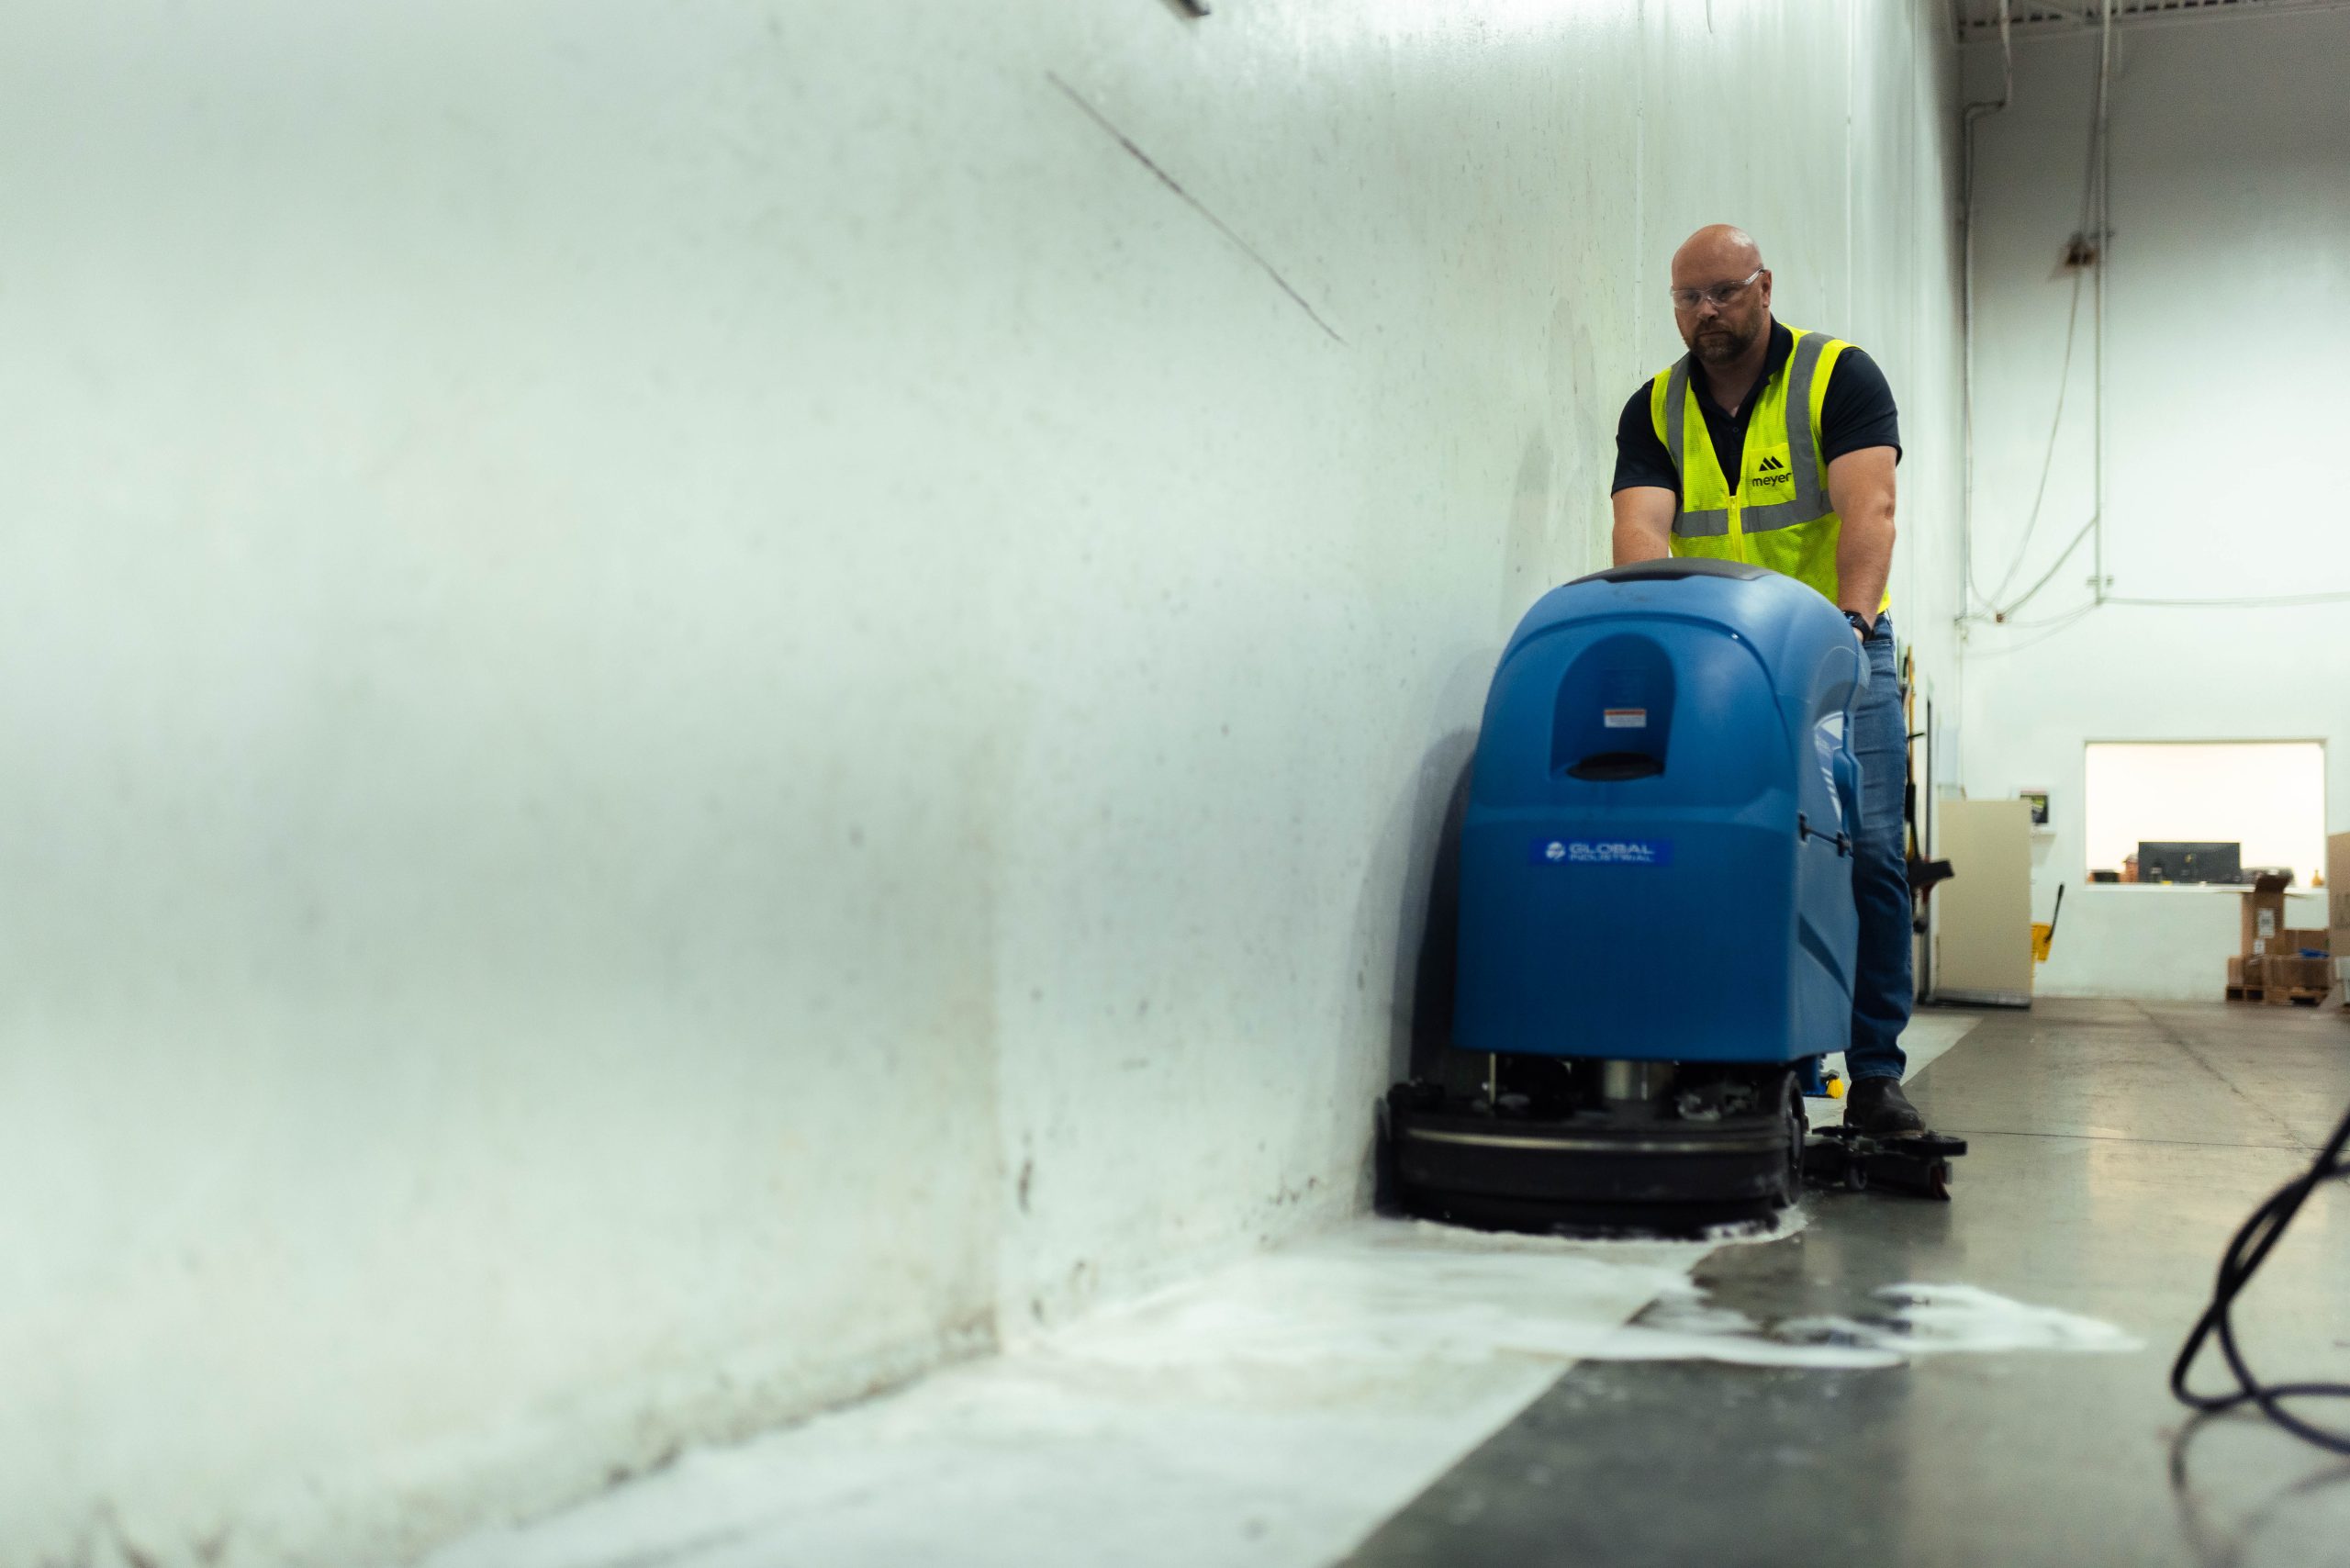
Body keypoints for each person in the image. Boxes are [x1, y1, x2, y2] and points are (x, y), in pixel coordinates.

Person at [1609, 223, 1923, 1137]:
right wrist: (1665, 638)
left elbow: (1870, 510)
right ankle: (1741, 1051)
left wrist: (1851, 628)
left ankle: (1874, 1074)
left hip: (1837, 648)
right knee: (1726, 843)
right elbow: (1640, 530)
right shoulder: (1654, 409)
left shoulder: (1838, 377)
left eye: (1724, 292)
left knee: (1870, 851)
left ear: (1765, 286)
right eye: (1688, 298)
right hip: (1721, 662)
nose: (1706, 312)